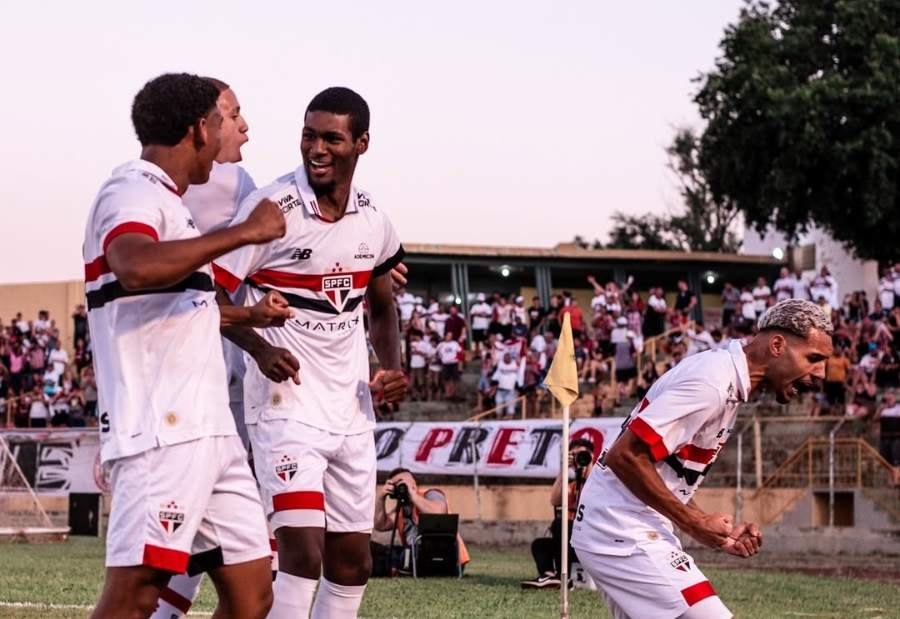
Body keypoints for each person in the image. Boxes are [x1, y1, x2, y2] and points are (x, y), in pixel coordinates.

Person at [85, 73, 293, 619]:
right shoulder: (130, 190)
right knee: (136, 593)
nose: (233, 128)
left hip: (211, 430)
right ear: (200, 128)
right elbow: (133, 266)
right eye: (224, 118)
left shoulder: (172, 204)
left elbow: (184, 307)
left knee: (253, 593)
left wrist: (250, 328)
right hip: (162, 431)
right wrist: (243, 233)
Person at [212, 87, 407, 619]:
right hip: (285, 406)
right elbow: (213, 292)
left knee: (353, 563)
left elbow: (383, 304)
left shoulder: (374, 220)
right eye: (308, 135)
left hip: (350, 410)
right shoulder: (273, 209)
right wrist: (258, 347)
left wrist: (390, 367)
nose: (316, 148)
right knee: (301, 551)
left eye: (331, 138)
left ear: (361, 143)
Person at [572, 299, 833, 619]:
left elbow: (666, 472)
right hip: (620, 528)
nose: (821, 373)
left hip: (624, 524)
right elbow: (624, 456)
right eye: (814, 358)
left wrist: (717, 532)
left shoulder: (726, 378)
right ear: (777, 344)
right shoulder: (712, 382)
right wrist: (694, 524)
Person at [522, 438, 595, 590]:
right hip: (570, 543)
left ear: (592, 455)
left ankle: (564, 576)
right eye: (574, 455)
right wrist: (564, 470)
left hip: (592, 541)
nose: (579, 458)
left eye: (583, 454)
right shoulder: (572, 485)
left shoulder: (598, 481)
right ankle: (550, 576)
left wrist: (590, 466)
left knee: (560, 524)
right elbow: (555, 500)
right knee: (540, 544)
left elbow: (591, 495)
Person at [372, 468, 469, 575]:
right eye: (396, 484)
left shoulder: (431, 494)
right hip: (416, 555)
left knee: (401, 555)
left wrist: (413, 495)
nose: (401, 486)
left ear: (413, 483)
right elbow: (380, 524)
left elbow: (438, 514)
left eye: (403, 482)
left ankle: (396, 567)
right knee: (375, 549)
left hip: (446, 557)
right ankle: (394, 567)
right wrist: (381, 497)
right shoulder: (402, 509)